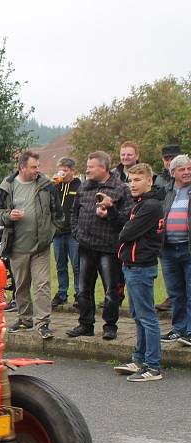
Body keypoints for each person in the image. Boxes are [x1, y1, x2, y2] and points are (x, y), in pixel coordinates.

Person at [0, 151, 63, 339]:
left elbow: (58, 213)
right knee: (21, 285)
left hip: (41, 246)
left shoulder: (46, 186)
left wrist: (51, 232)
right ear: (22, 168)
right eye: (33, 167)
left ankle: (43, 323)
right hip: (17, 246)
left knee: (42, 284)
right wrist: (8, 216)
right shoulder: (7, 187)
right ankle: (25, 319)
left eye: (38, 167)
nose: (37, 170)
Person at [66, 151, 133, 340]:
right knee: (83, 289)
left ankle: (110, 326)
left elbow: (126, 219)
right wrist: (77, 233)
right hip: (86, 245)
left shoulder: (120, 189)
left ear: (103, 167)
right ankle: (85, 324)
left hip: (109, 248)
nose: (87, 170)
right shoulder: (85, 187)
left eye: (91, 166)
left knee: (111, 290)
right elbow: (74, 212)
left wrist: (110, 210)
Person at [110, 164, 165, 381]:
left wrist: (125, 229)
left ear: (149, 181)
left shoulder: (150, 206)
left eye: (137, 180)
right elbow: (126, 229)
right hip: (132, 266)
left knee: (147, 317)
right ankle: (139, 359)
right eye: (130, 180)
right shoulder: (140, 204)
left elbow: (126, 233)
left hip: (141, 267)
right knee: (138, 315)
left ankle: (152, 366)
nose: (132, 184)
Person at [159, 154, 191, 345]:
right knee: (175, 292)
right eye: (182, 169)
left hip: (188, 248)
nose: (187, 172)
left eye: (189, 168)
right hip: (168, 249)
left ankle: (189, 331)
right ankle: (178, 329)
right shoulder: (167, 192)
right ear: (173, 173)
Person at [51, 157, 82, 307]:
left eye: (65, 170)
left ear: (73, 171)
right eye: (61, 169)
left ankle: (79, 294)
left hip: (73, 232)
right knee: (60, 264)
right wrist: (53, 185)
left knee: (77, 265)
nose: (62, 172)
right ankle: (62, 293)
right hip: (57, 232)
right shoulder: (56, 186)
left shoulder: (79, 186)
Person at [155, 144, 182, 312]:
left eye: (172, 158)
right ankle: (171, 297)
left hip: (182, 231)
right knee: (168, 269)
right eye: (166, 158)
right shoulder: (159, 179)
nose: (169, 161)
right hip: (164, 228)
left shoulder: (185, 177)